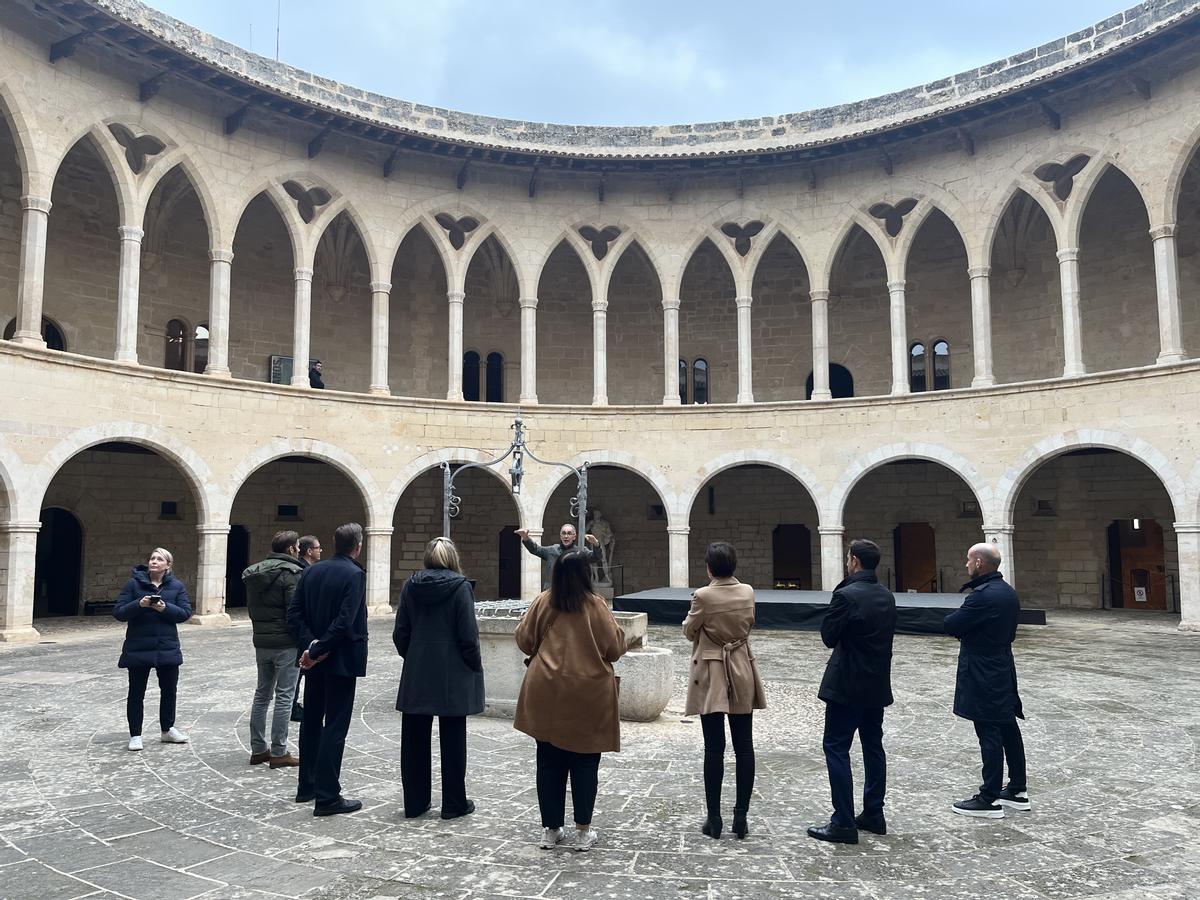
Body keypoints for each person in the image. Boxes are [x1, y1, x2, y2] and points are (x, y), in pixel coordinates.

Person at [514, 550, 625, 852]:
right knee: (585, 762)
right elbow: (615, 648)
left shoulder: (543, 601)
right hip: (587, 695)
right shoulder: (596, 606)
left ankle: (551, 829)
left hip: (546, 690)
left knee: (548, 761)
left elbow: (524, 640)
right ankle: (583, 832)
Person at [808, 539, 897, 845]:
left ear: (855, 561)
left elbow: (829, 637)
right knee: (874, 747)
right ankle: (874, 812)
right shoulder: (887, 596)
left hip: (847, 684)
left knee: (836, 747)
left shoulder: (845, 595)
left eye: (848, 558)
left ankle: (843, 821)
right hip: (876, 684)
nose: (847, 562)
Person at [393, 537, 484, 819]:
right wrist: (474, 665)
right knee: (454, 738)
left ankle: (416, 803)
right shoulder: (460, 588)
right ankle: (454, 803)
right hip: (452, 672)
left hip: (418, 671)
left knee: (414, 740)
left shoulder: (411, 586)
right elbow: (468, 636)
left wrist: (416, 655)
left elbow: (400, 633)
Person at [682, 541, 766, 840]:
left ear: (709, 567)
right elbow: (750, 622)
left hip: (712, 671)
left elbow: (689, 630)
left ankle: (714, 819)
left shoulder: (703, 596)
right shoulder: (747, 591)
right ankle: (740, 818)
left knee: (714, 747)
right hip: (741, 666)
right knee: (744, 746)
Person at [286, 522, 368, 817]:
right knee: (335, 725)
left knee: (311, 720)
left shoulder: (311, 571)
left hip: (313, 659)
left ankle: (306, 786)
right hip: (341, 660)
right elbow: (346, 622)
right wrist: (320, 650)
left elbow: (294, 615)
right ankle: (327, 796)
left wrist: (310, 648)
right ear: (357, 546)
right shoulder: (355, 574)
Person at [945, 542, 1028, 819]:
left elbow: (952, 624)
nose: (965, 564)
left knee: (988, 729)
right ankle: (1017, 789)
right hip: (1002, 664)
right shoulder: (1007, 592)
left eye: (968, 560)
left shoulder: (982, 596)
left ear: (980, 563)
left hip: (983, 669)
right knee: (1007, 726)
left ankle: (989, 797)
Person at [113, 548, 193, 751]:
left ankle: (167, 729)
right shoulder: (133, 584)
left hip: (166, 646)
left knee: (169, 691)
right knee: (136, 692)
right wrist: (139, 604)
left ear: (168, 565)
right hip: (138, 645)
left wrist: (165, 608)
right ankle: (135, 734)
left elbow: (184, 613)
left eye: (159, 559)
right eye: (152, 558)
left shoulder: (176, 586)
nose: (154, 562)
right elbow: (119, 612)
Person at [242, 530, 304, 768]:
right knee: (285, 696)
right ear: (290, 549)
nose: (298, 550)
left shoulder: (254, 573)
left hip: (262, 640)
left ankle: (258, 749)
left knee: (262, 694)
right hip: (286, 643)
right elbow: (293, 612)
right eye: (297, 546)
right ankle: (279, 752)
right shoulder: (291, 573)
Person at [515, 523, 600, 590]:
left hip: (574, 592)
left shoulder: (581, 551)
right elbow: (535, 549)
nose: (566, 536)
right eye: (564, 533)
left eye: (569, 534)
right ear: (560, 536)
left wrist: (596, 543)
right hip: (552, 592)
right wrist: (526, 537)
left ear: (574, 537)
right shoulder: (552, 550)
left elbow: (596, 557)